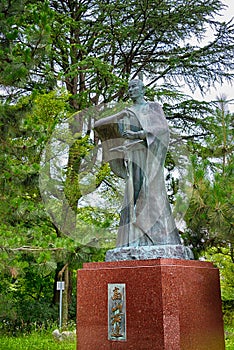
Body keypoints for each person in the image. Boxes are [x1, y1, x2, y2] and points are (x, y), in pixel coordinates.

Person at [94, 79, 181, 247]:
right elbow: (98, 126)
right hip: (133, 158)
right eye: (129, 88)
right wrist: (119, 116)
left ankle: (159, 239)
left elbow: (162, 129)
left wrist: (139, 135)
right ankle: (132, 241)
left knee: (150, 193)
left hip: (148, 157)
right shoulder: (128, 112)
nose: (131, 90)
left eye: (134, 87)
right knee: (132, 195)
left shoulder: (153, 107)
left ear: (143, 89)